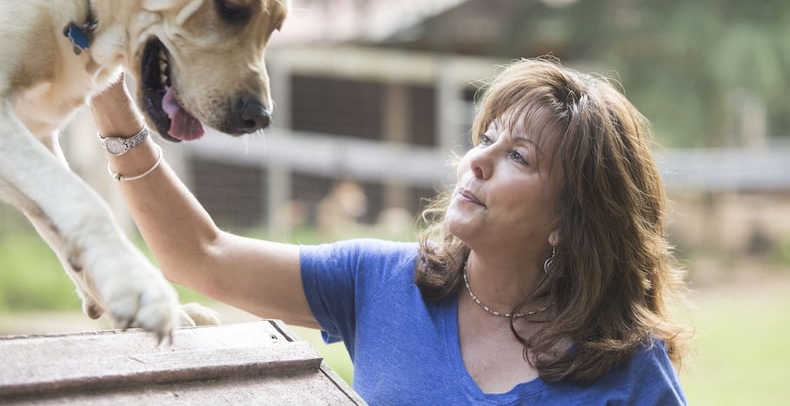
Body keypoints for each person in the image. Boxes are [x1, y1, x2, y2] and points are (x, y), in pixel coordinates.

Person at [90, 57, 691, 405]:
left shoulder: (628, 369)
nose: (476, 161)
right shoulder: (379, 283)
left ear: (569, 218)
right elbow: (203, 255)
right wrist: (108, 97)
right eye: (485, 138)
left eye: (520, 157)